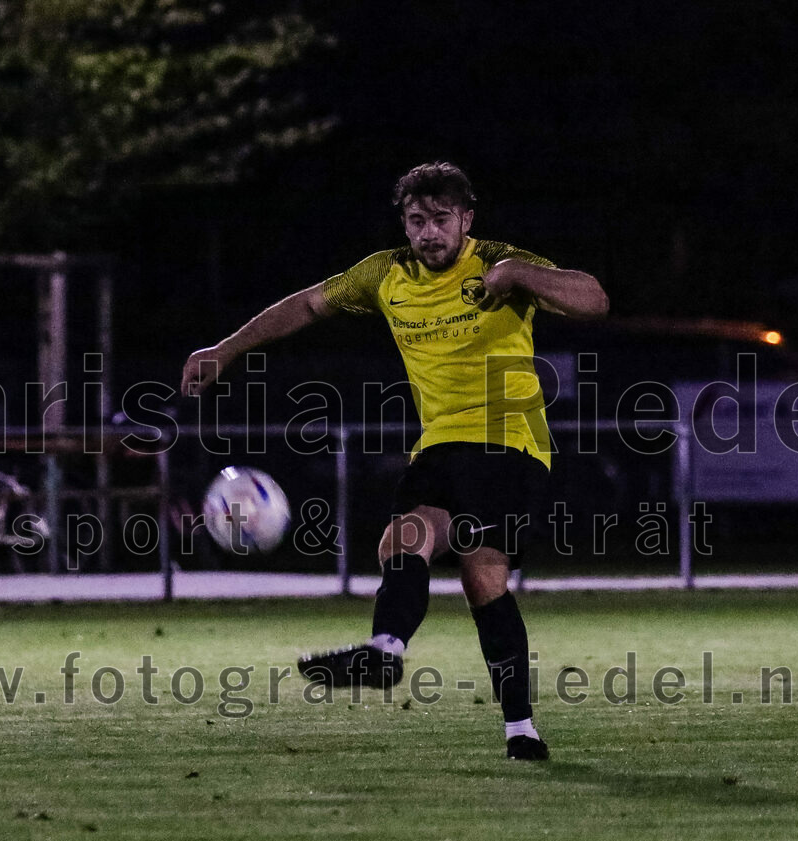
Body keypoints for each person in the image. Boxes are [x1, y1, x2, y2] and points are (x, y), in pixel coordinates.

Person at [182, 162, 608, 761]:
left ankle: (515, 725)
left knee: (480, 575)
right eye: (416, 221)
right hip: (439, 442)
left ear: (467, 219)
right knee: (404, 543)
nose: (429, 233)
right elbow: (306, 306)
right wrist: (225, 350)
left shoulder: (499, 260)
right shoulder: (385, 274)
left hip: (509, 441)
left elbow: (593, 297)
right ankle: (392, 655)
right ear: (402, 223)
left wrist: (518, 275)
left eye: (441, 220)